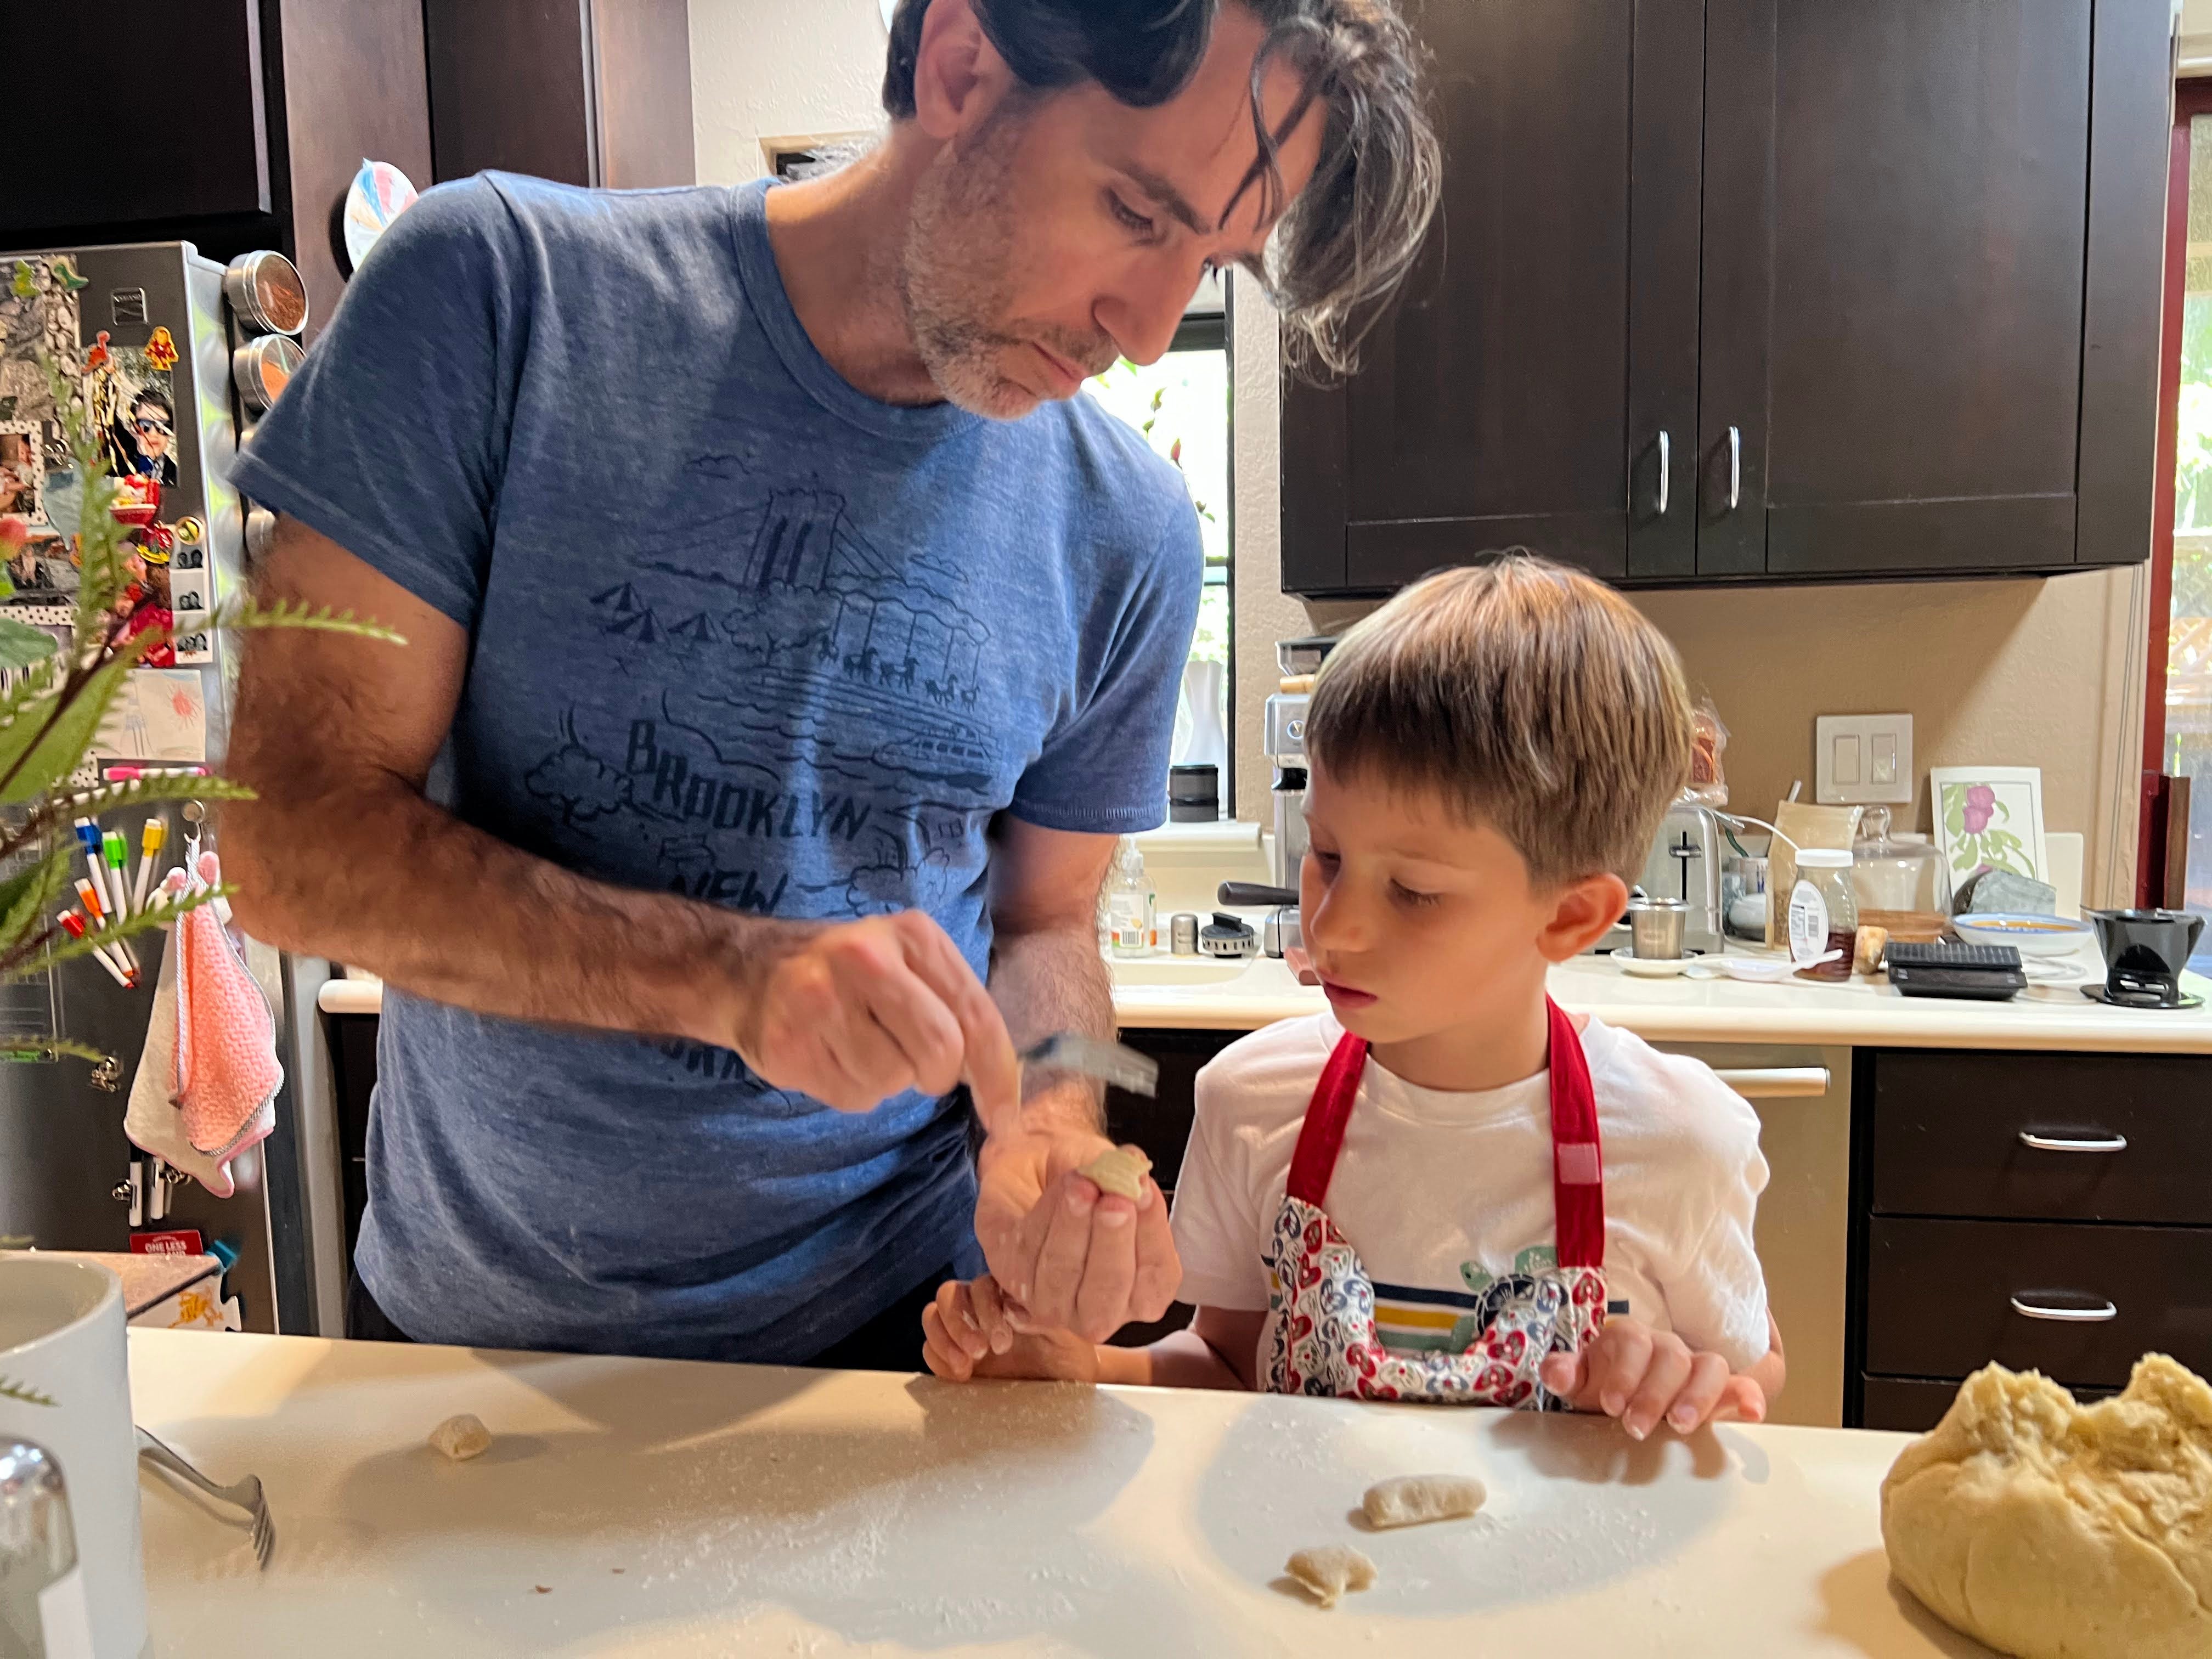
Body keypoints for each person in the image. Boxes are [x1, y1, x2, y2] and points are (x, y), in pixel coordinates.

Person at [221, 0, 1440, 1368]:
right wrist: (731, 977)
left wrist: (1054, 1122)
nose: (1151, 332)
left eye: (1214, 257)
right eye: (1138, 213)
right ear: (964, 65)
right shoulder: (501, 295)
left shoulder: (1131, 531)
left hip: (907, 1348)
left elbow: (1048, 932)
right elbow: (286, 843)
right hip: (483, 1348)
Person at [923, 557, 1787, 1437]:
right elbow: (1226, 1364)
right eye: (1326, 856)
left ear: (1571, 917)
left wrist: (1684, 1388)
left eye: (1413, 890)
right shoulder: (1252, 1099)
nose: (1332, 928)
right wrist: (1080, 1369)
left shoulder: (1680, 1139)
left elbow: (1752, 1382)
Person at [108, 388, 178, 488]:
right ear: (133, 428)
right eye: (145, 425)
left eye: (163, 427)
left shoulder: (177, 476)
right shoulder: (114, 462)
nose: (153, 434)